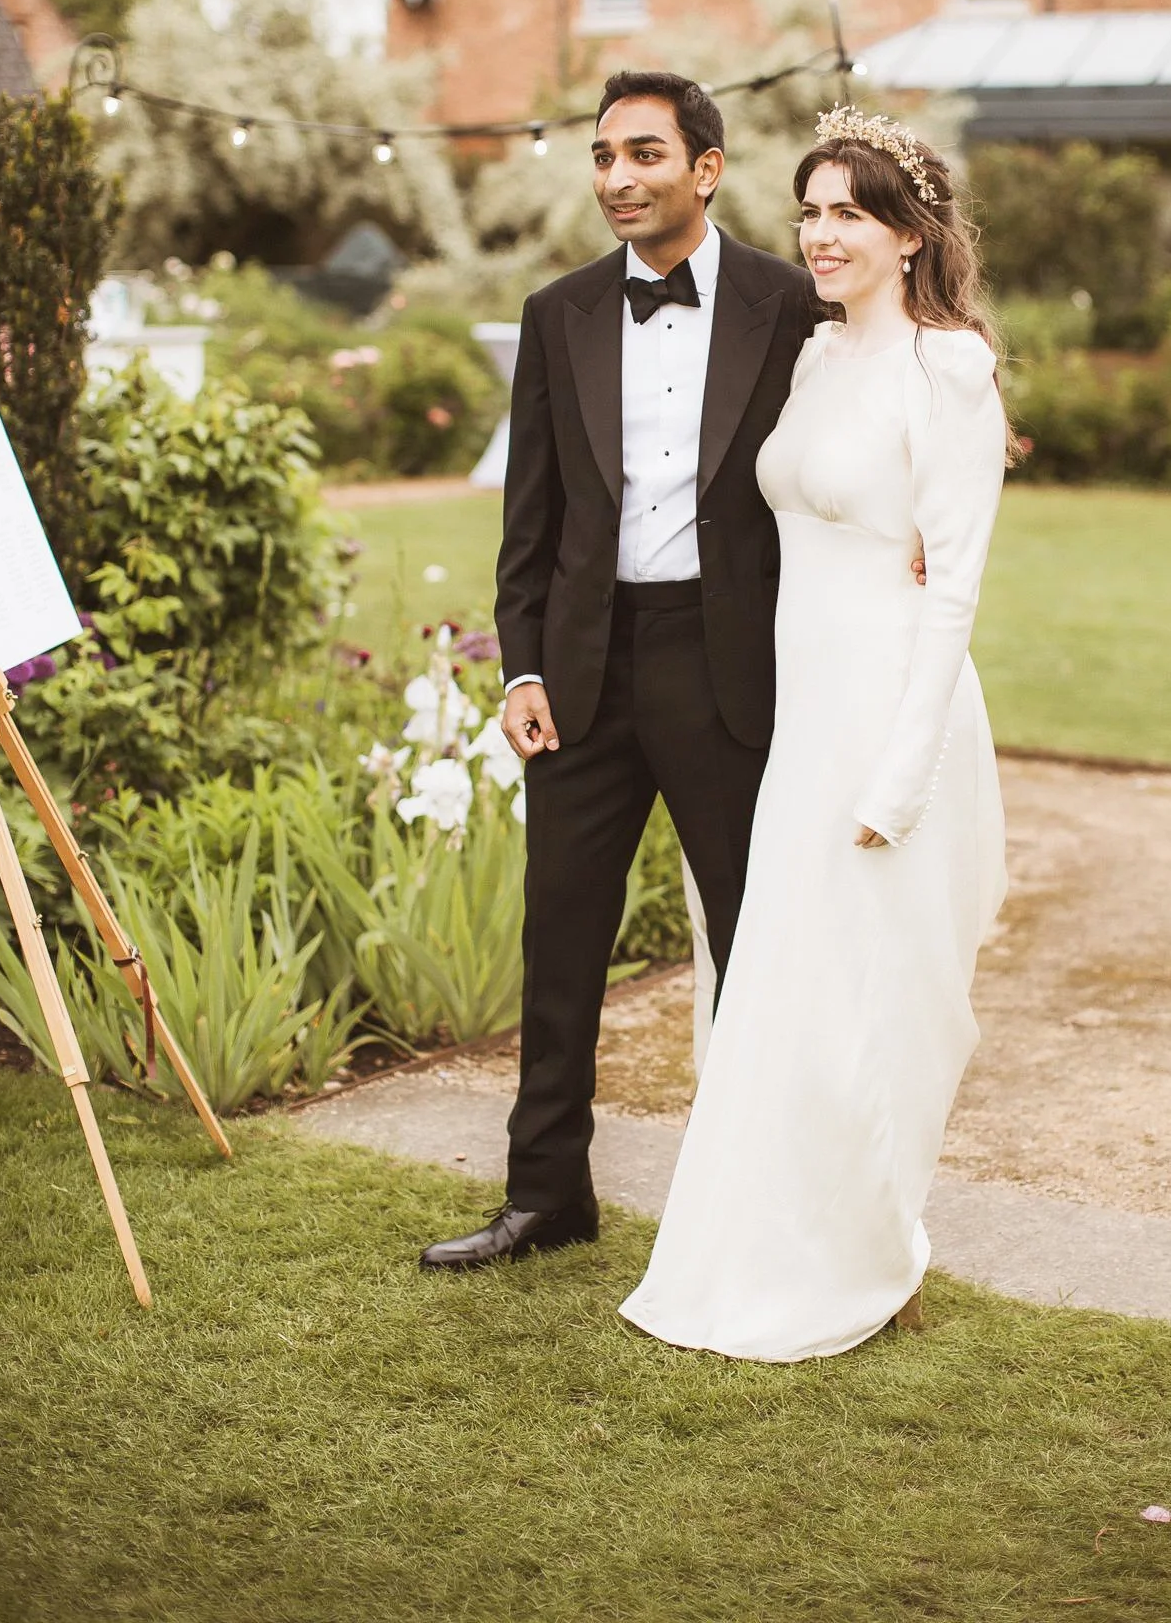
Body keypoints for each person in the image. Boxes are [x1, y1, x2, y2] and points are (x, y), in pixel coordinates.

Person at [619, 106, 1013, 1360]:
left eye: (849, 210)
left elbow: (951, 580)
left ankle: (871, 1250)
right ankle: (768, 1246)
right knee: (781, 991)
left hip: (892, 720)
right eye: (810, 208)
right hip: (796, 721)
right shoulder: (810, 357)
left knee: (877, 999)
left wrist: (901, 777)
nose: (821, 231)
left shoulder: (945, 369)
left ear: (908, 235)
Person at [420, 71, 826, 1271]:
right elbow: (529, 515)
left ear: (705, 166)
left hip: (729, 667)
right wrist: (520, 670)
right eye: (602, 157)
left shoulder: (790, 303)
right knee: (560, 945)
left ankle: (776, 1202)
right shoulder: (560, 312)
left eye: (643, 153)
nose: (616, 178)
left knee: (757, 944)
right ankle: (546, 1195)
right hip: (585, 673)